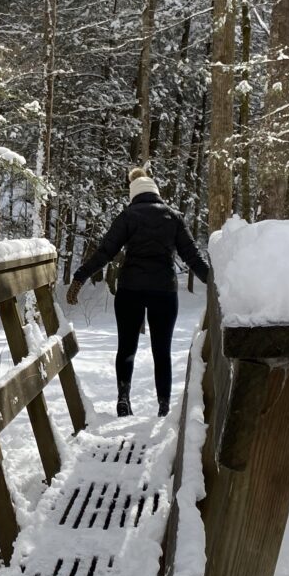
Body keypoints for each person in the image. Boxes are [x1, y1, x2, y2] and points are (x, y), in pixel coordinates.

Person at [65, 166, 208, 418]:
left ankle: (123, 399)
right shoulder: (173, 217)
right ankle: (163, 407)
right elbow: (193, 256)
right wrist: (215, 281)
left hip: (130, 289)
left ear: (133, 193)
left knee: (126, 347)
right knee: (161, 350)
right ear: (155, 190)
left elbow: (105, 252)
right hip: (163, 291)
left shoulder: (128, 216)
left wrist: (80, 277)